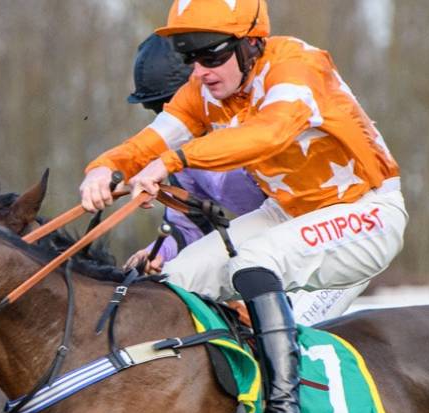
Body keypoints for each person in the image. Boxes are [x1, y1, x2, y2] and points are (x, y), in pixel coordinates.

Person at [79, 0, 404, 413]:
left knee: (255, 264)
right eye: (190, 58)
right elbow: (149, 142)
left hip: (368, 211)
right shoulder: (202, 89)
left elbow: (267, 135)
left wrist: (171, 162)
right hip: (287, 211)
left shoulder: (297, 66)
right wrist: (103, 168)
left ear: (252, 44)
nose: (200, 71)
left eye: (211, 56)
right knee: (172, 283)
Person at [120, 32, 361, 326]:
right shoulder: (185, 163)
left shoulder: (255, 129)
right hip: (269, 259)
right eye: (158, 111)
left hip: (333, 240)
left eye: (172, 104)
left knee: (269, 331)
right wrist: (157, 254)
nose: (172, 118)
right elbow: (189, 228)